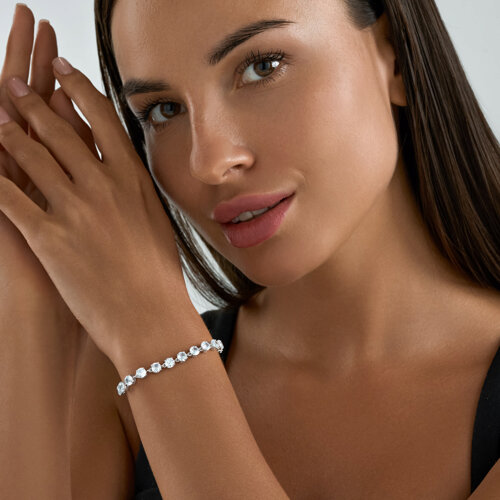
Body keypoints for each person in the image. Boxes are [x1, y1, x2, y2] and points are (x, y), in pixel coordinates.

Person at [0, 0, 498, 498]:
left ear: (395, 55)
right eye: (164, 110)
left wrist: (159, 343)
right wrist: (29, 293)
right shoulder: (117, 387)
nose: (208, 161)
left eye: (262, 67)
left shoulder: (144, 357)